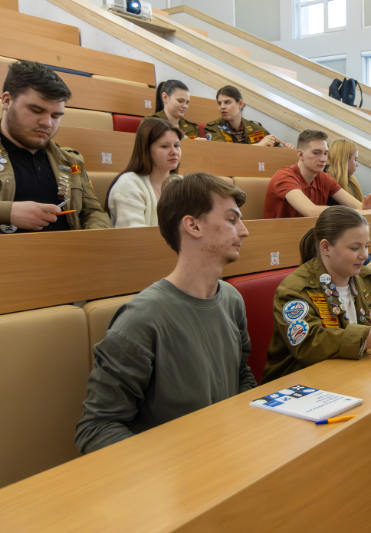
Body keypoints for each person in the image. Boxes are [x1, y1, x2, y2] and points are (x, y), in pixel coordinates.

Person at [75, 172, 257, 454]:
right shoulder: (141, 319)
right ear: (193, 225)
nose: (244, 231)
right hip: (172, 470)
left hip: (226, 456)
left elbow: (241, 375)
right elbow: (96, 428)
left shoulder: (232, 299)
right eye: (232, 219)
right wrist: (167, 468)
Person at [262, 206, 371, 383]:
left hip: (354, 375)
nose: (364, 255)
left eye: (366, 246)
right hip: (299, 384)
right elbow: (311, 346)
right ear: (326, 247)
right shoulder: (295, 289)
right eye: (355, 248)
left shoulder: (364, 277)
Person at [0, 60, 110, 234]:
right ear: (6, 101)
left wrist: (92, 238)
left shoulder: (71, 160)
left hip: (71, 251)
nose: (47, 123)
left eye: (56, 116)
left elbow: (93, 212)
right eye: (36, 110)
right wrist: (8, 212)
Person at [264, 130, 371, 219]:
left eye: (325, 153)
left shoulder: (324, 178)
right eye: (316, 153)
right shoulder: (285, 176)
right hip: (278, 239)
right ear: (300, 155)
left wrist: (366, 208)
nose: (324, 159)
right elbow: (311, 211)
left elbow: (357, 206)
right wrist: (362, 212)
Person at [106, 118, 182, 227]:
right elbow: (136, 234)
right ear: (146, 149)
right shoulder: (128, 184)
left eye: (176, 145)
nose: (174, 152)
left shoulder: (181, 183)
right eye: (165, 146)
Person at [204, 85, 295, 149]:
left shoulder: (256, 128)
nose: (222, 107)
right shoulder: (213, 127)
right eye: (219, 103)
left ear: (240, 104)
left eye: (227, 102)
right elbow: (223, 152)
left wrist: (285, 150)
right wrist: (259, 146)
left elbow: (276, 150)